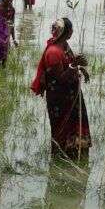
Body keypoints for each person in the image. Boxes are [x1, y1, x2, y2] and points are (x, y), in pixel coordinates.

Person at [31, 17, 91, 156]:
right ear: (68, 33)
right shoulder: (53, 52)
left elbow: (67, 64)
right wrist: (74, 64)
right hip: (60, 98)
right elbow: (61, 78)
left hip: (71, 96)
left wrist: (81, 68)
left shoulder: (64, 47)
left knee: (73, 123)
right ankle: (60, 154)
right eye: (71, 31)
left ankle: (74, 151)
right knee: (61, 127)